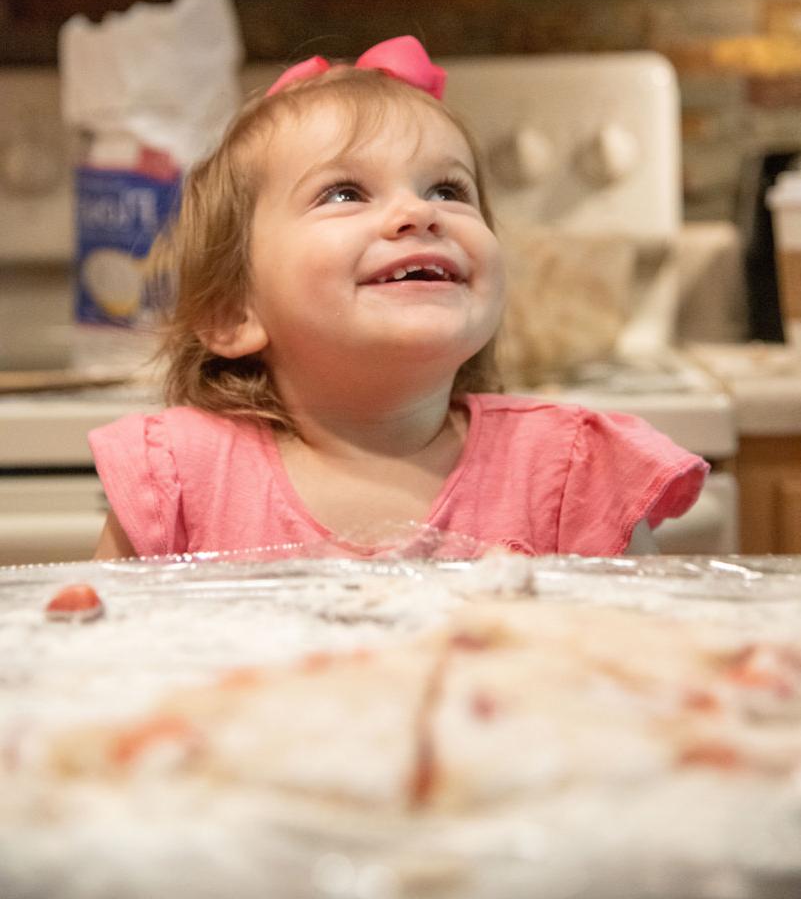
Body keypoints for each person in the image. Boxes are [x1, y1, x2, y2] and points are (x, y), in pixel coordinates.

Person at [92, 36, 707, 561]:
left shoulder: (573, 474)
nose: (418, 212)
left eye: (447, 189)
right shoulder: (178, 483)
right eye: (343, 193)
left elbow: (640, 670)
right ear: (233, 312)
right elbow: (102, 667)